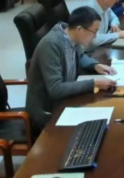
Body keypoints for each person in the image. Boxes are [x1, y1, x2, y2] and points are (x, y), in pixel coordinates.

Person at [26, 7, 118, 136]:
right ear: (80, 29)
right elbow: (55, 89)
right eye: (94, 31)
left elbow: (80, 56)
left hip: (66, 99)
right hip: (47, 112)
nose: (95, 36)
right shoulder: (51, 45)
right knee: (95, 131)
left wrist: (95, 65)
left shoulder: (71, 36)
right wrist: (93, 83)